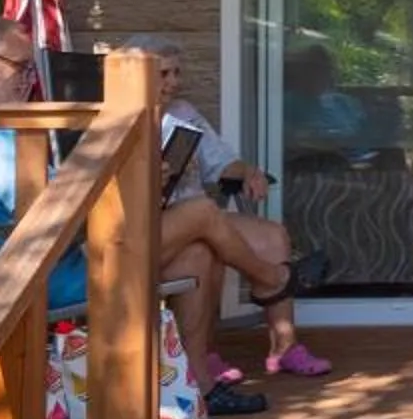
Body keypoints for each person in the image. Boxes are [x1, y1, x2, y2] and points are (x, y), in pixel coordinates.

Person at [0, 15, 303, 418]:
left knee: (197, 255)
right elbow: (53, 220)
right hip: (50, 274)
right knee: (201, 212)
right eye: (21, 66)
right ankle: (272, 279)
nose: (29, 79)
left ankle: (195, 389)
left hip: (74, 256)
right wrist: (133, 184)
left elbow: (61, 202)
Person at [115, 36, 330, 377]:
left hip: (200, 214)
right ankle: (212, 348)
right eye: (164, 74)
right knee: (206, 240)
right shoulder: (114, 121)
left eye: (177, 73)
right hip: (156, 224)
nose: (173, 82)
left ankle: (284, 346)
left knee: (272, 237)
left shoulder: (184, 113)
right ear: (136, 74)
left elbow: (220, 162)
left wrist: (246, 171)